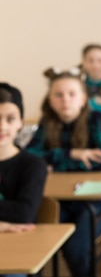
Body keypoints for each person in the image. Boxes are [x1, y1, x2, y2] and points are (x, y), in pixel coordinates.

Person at [26, 68, 101, 277]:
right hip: (55, 199)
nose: (65, 100)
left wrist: (53, 160)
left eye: (72, 94)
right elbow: (30, 157)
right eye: (58, 95)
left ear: (83, 99)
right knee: (38, 246)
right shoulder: (47, 122)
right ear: (50, 99)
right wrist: (73, 154)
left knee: (76, 250)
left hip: (91, 199)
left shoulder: (97, 120)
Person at [0, 83, 48, 277]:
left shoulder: (33, 165)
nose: (2, 126)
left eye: (10, 119)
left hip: (18, 250)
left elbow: (24, 213)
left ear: (20, 122)